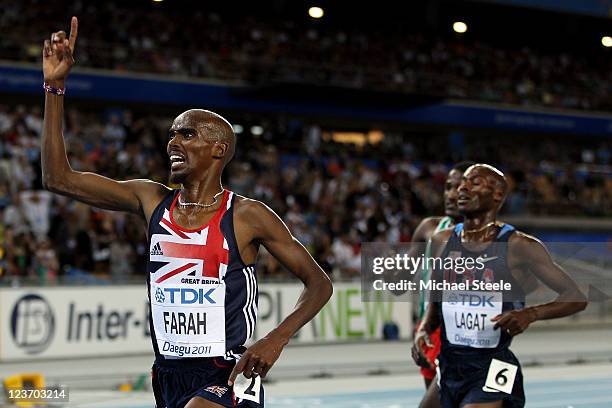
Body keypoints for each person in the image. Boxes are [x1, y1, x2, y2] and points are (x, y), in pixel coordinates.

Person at [41, 17, 333, 408]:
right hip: (167, 373)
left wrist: (275, 337)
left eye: (187, 134)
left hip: (228, 372)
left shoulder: (246, 215)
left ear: (219, 149)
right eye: (172, 134)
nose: (173, 142)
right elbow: (58, 178)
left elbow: (319, 284)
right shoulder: (151, 200)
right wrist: (55, 88)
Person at [414, 163, 587, 408]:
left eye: (474, 183)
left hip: (495, 365)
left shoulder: (520, 246)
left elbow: (576, 296)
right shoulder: (442, 240)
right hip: (451, 364)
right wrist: (424, 328)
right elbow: (436, 294)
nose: (462, 188)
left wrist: (531, 313)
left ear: (497, 195)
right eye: (462, 182)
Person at [410, 161, 475, 392]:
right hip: (430, 327)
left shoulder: (490, 236)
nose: (451, 195)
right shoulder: (429, 228)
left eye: (459, 188)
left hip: (466, 332)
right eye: (448, 187)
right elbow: (400, 279)